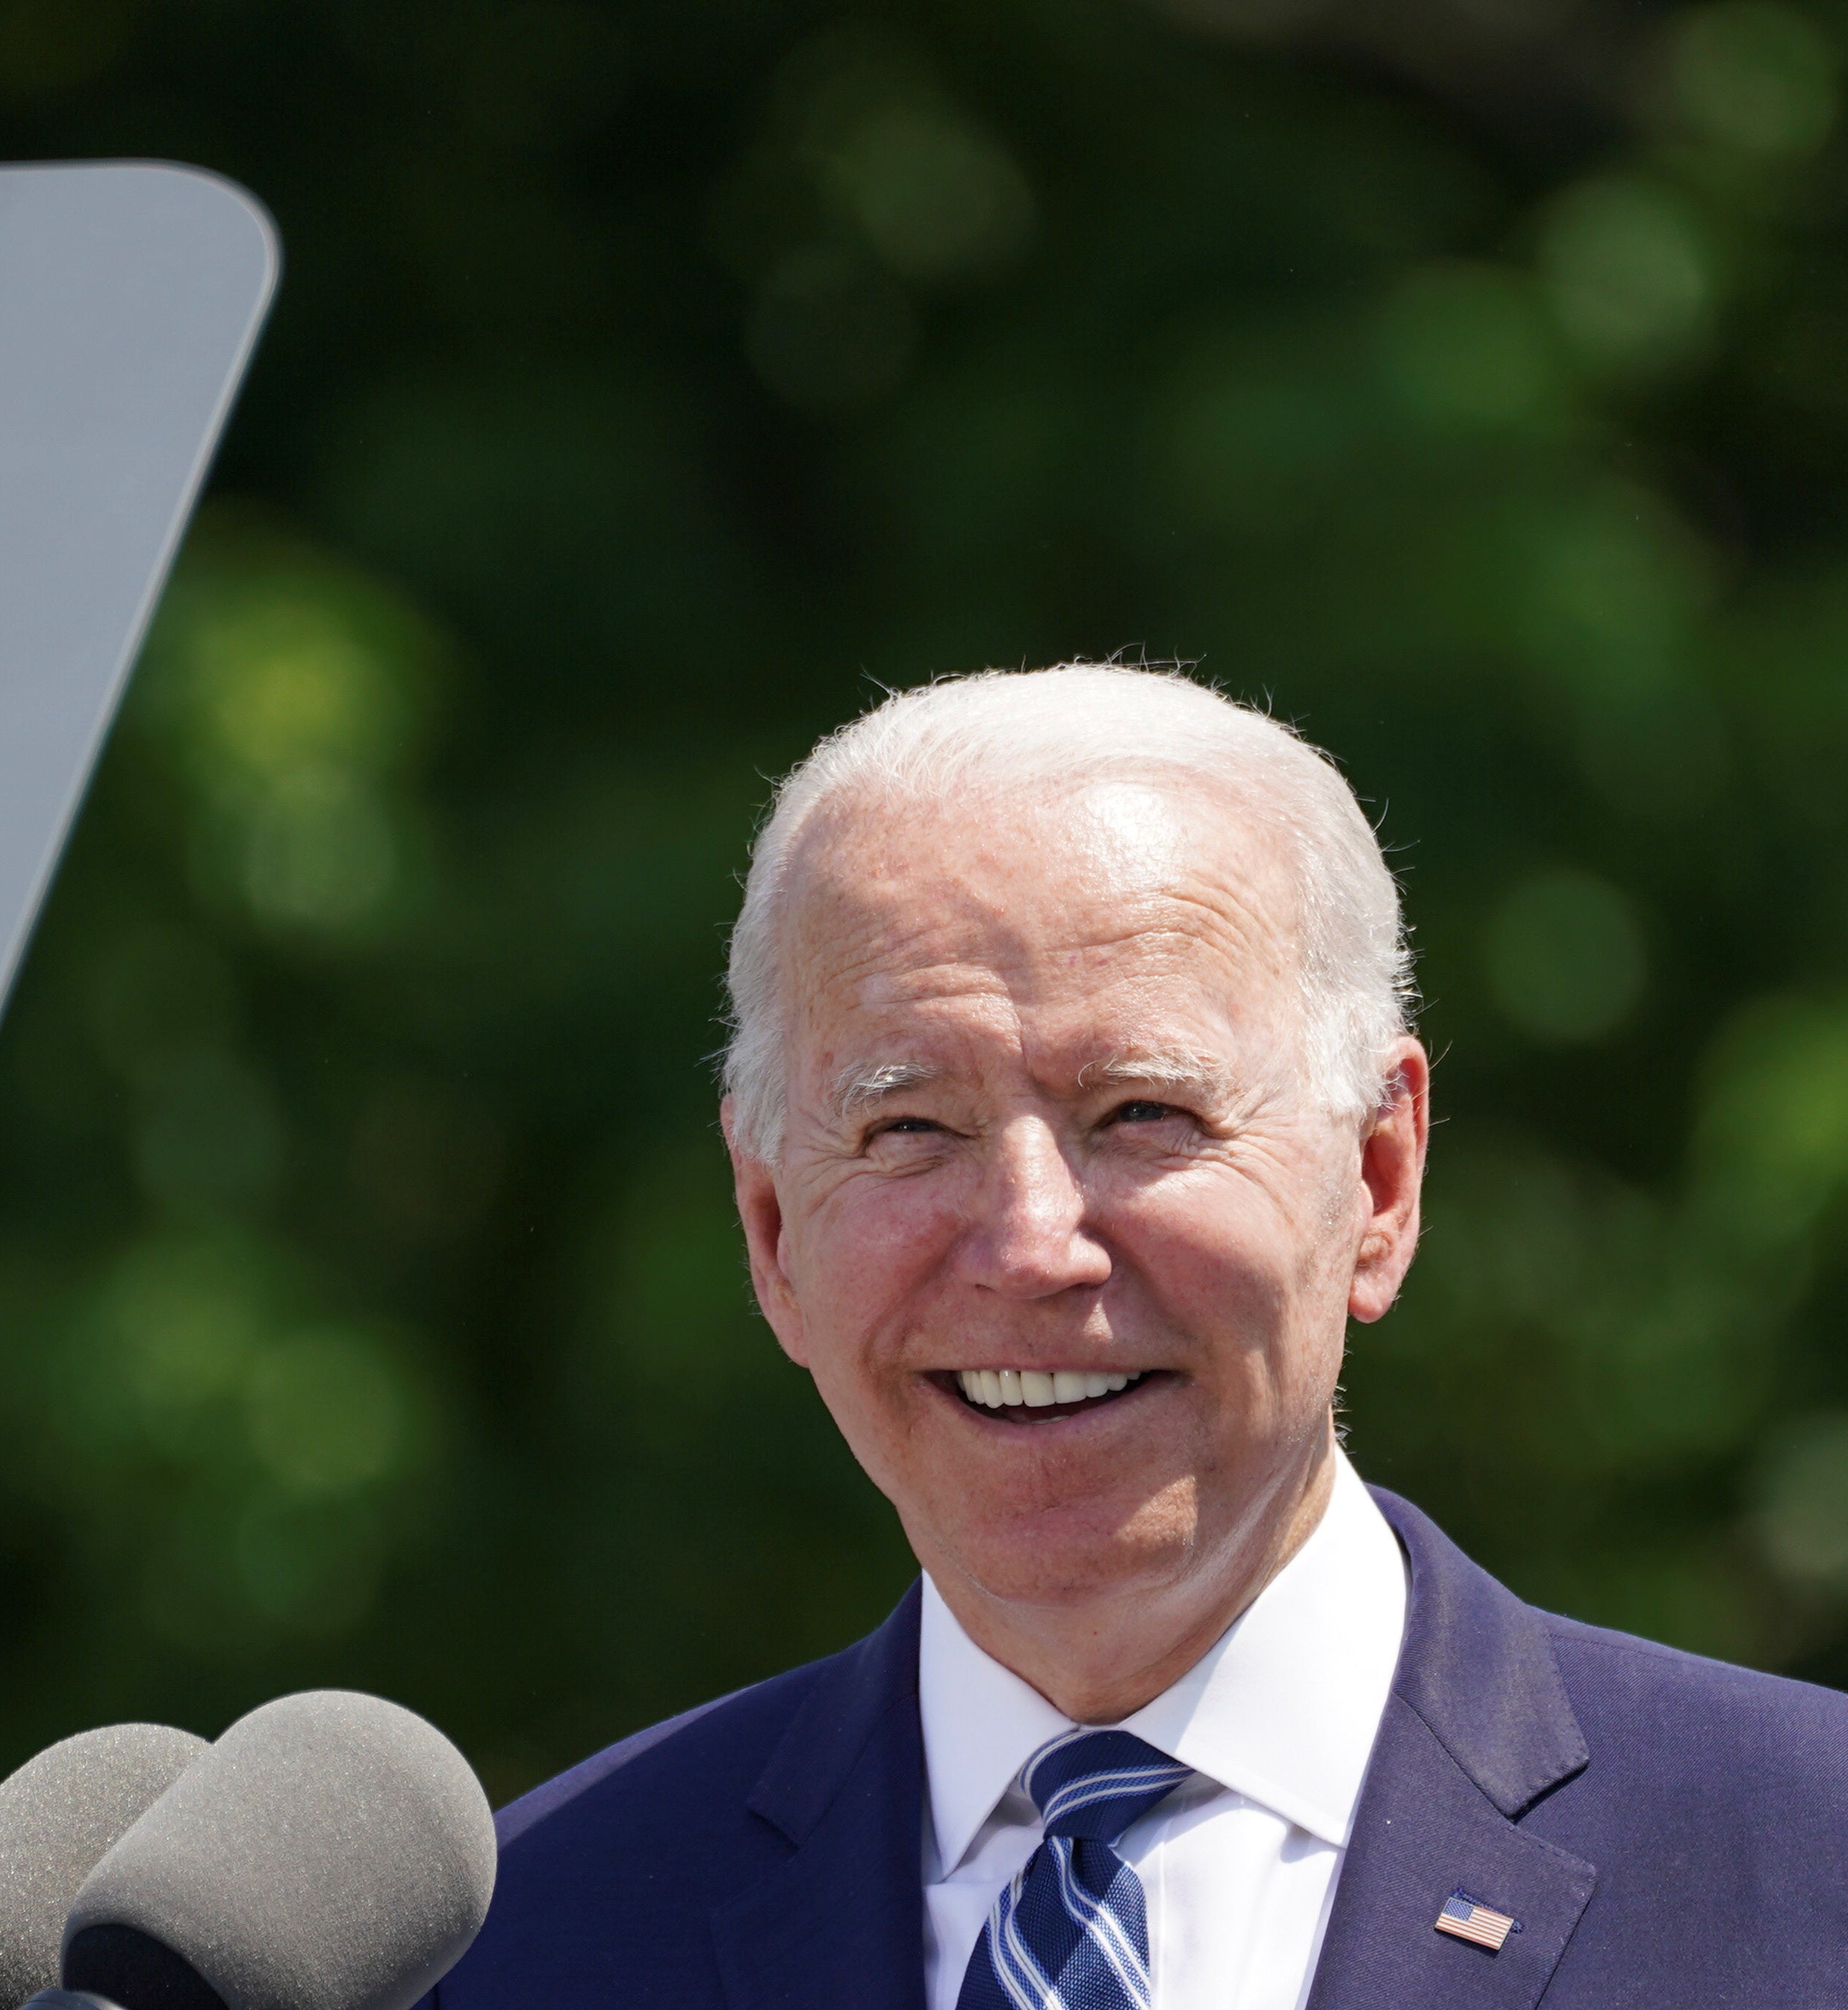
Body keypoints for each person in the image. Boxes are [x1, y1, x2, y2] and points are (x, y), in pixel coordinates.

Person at [428, 665, 1848, 2010]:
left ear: (1379, 1181)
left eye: (1143, 1115)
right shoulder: (530, 1937)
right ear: (772, 1228)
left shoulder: (1804, 1866)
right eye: (910, 1127)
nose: (1033, 1244)